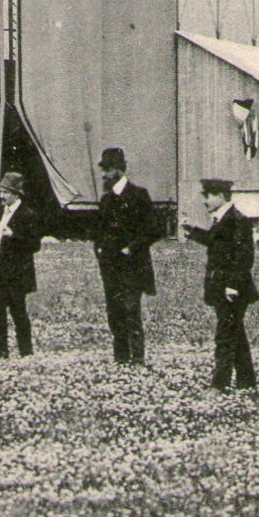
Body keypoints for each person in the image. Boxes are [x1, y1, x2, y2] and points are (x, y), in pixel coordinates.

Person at [185, 178, 259, 393]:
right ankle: (247, 382)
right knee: (236, 334)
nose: (205, 200)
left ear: (220, 196)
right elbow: (216, 241)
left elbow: (243, 257)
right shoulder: (224, 220)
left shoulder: (237, 220)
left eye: (207, 195)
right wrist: (193, 232)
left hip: (233, 290)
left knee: (225, 336)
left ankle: (220, 385)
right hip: (224, 289)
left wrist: (232, 285)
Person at [93, 147, 158, 365]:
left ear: (119, 170)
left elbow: (153, 229)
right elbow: (98, 232)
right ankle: (120, 358)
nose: (104, 175)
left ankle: (137, 358)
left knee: (131, 310)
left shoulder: (139, 195)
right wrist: (100, 251)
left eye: (108, 170)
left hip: (132, 266)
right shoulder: (105, 200)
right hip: (110, 267)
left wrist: (132, 248)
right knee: (115, 312)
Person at [0, 171, 41, 359]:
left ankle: (26, 352)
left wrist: (13, 235)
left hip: (16, 271)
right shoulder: (0, 212)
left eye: (6, 192)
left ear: (16, 193)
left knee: (18, 311)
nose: (2, 196)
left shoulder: (27, 214)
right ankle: (1, 352)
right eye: (1, 191)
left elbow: (35, 244)